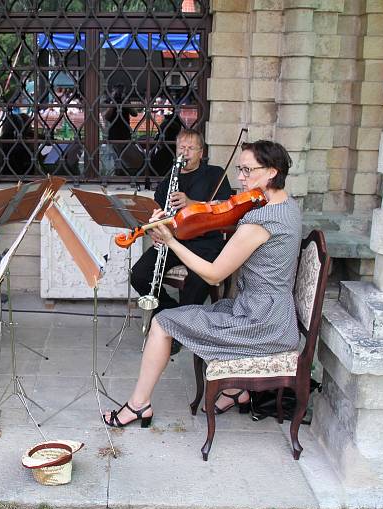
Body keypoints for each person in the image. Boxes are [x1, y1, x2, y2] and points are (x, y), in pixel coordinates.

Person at [104, 140, 301, 428]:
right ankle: (235, 392)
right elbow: (219, 216)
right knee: (206, 313)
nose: (240, 177)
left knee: (163, 322)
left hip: (261, 323)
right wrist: (177, 225)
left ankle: (138, 405)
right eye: (239, 169)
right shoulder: (285, 205)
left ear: (271, 172)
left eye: (247, 170)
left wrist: (171, 240)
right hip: (275, 313)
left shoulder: (260, 221)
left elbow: (213, 275)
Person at [130, 128, 233, 354]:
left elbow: (225, 211)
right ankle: (171, 311)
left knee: (198, 280)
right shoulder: (169, 180)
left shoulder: (215, 174)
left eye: (190, 148)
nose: (184, 153)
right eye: (181, 148)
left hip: (205, 241)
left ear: (201, 152)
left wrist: (191, 203)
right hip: (174, 240)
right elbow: (157, 213)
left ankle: (179, 330)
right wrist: (155, 230)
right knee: (138, 275)